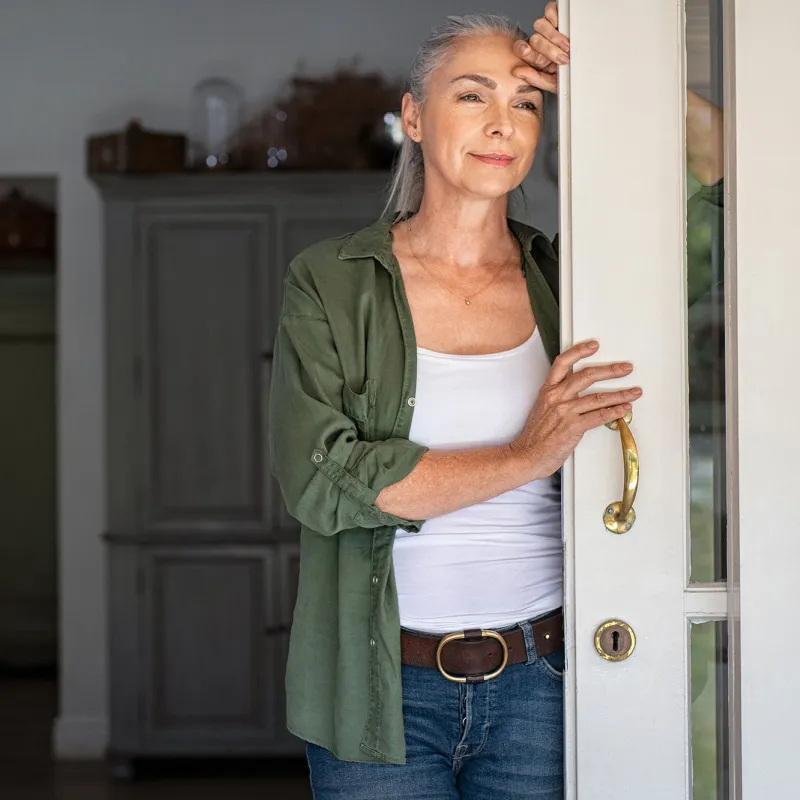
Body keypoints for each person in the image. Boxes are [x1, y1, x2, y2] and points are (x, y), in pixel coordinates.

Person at [269, 7, 721, 799]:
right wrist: (524, 455)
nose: (502, 123)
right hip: (380, 694)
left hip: (543, 683)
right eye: (473, 96)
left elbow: (724, 217)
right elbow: (322, 480)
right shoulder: (332, 280)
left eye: (527, 101)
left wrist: (625, 73)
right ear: (414, 115)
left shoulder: (572, 283)